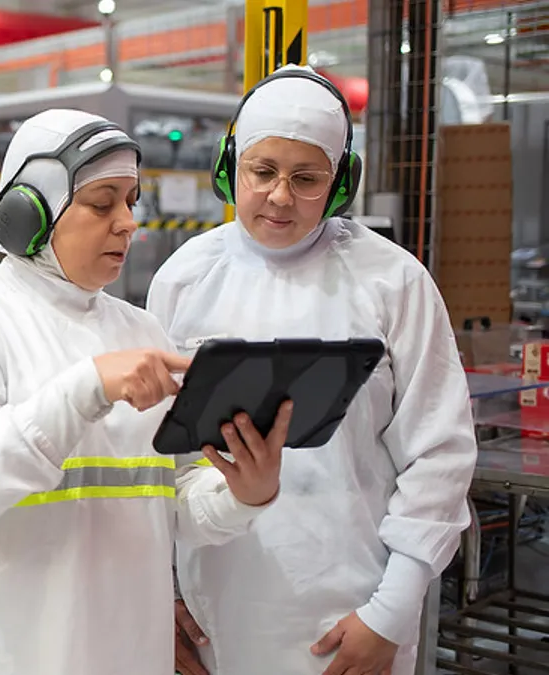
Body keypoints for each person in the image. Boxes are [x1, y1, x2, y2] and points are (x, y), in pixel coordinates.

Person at [0, 108, 293, 675]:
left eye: (131, 201)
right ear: (30, 212)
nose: (127, 222)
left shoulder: (141, 331)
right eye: (102, 203)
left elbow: (177, 506)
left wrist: (242, 494)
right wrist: (87, 387)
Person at [147, 65, 478, 675]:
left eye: (306, 179)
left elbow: (440, 455)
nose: (280, 196)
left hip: (353, 619)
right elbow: (157, 460)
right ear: (230, 167)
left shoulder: (393, 280)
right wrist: (159, 594)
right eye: (262, 171)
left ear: (341, 183)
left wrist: (392, 612)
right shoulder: (185, 278)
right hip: (214, 618)